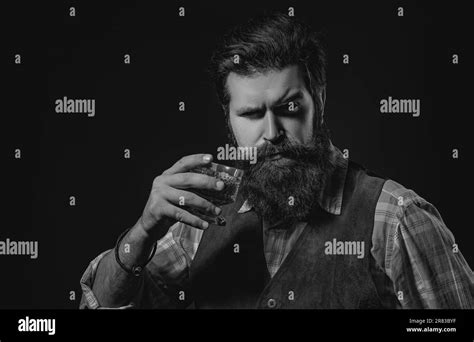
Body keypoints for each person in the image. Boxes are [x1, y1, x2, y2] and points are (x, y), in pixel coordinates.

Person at [80, 13, 473, 309]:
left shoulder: (395, 219)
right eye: (251, 114)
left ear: (318, 101)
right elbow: (102, 305)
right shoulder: (204, 216)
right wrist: (143, 231)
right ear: (229, 120)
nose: (272, 132)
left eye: (288, 107)